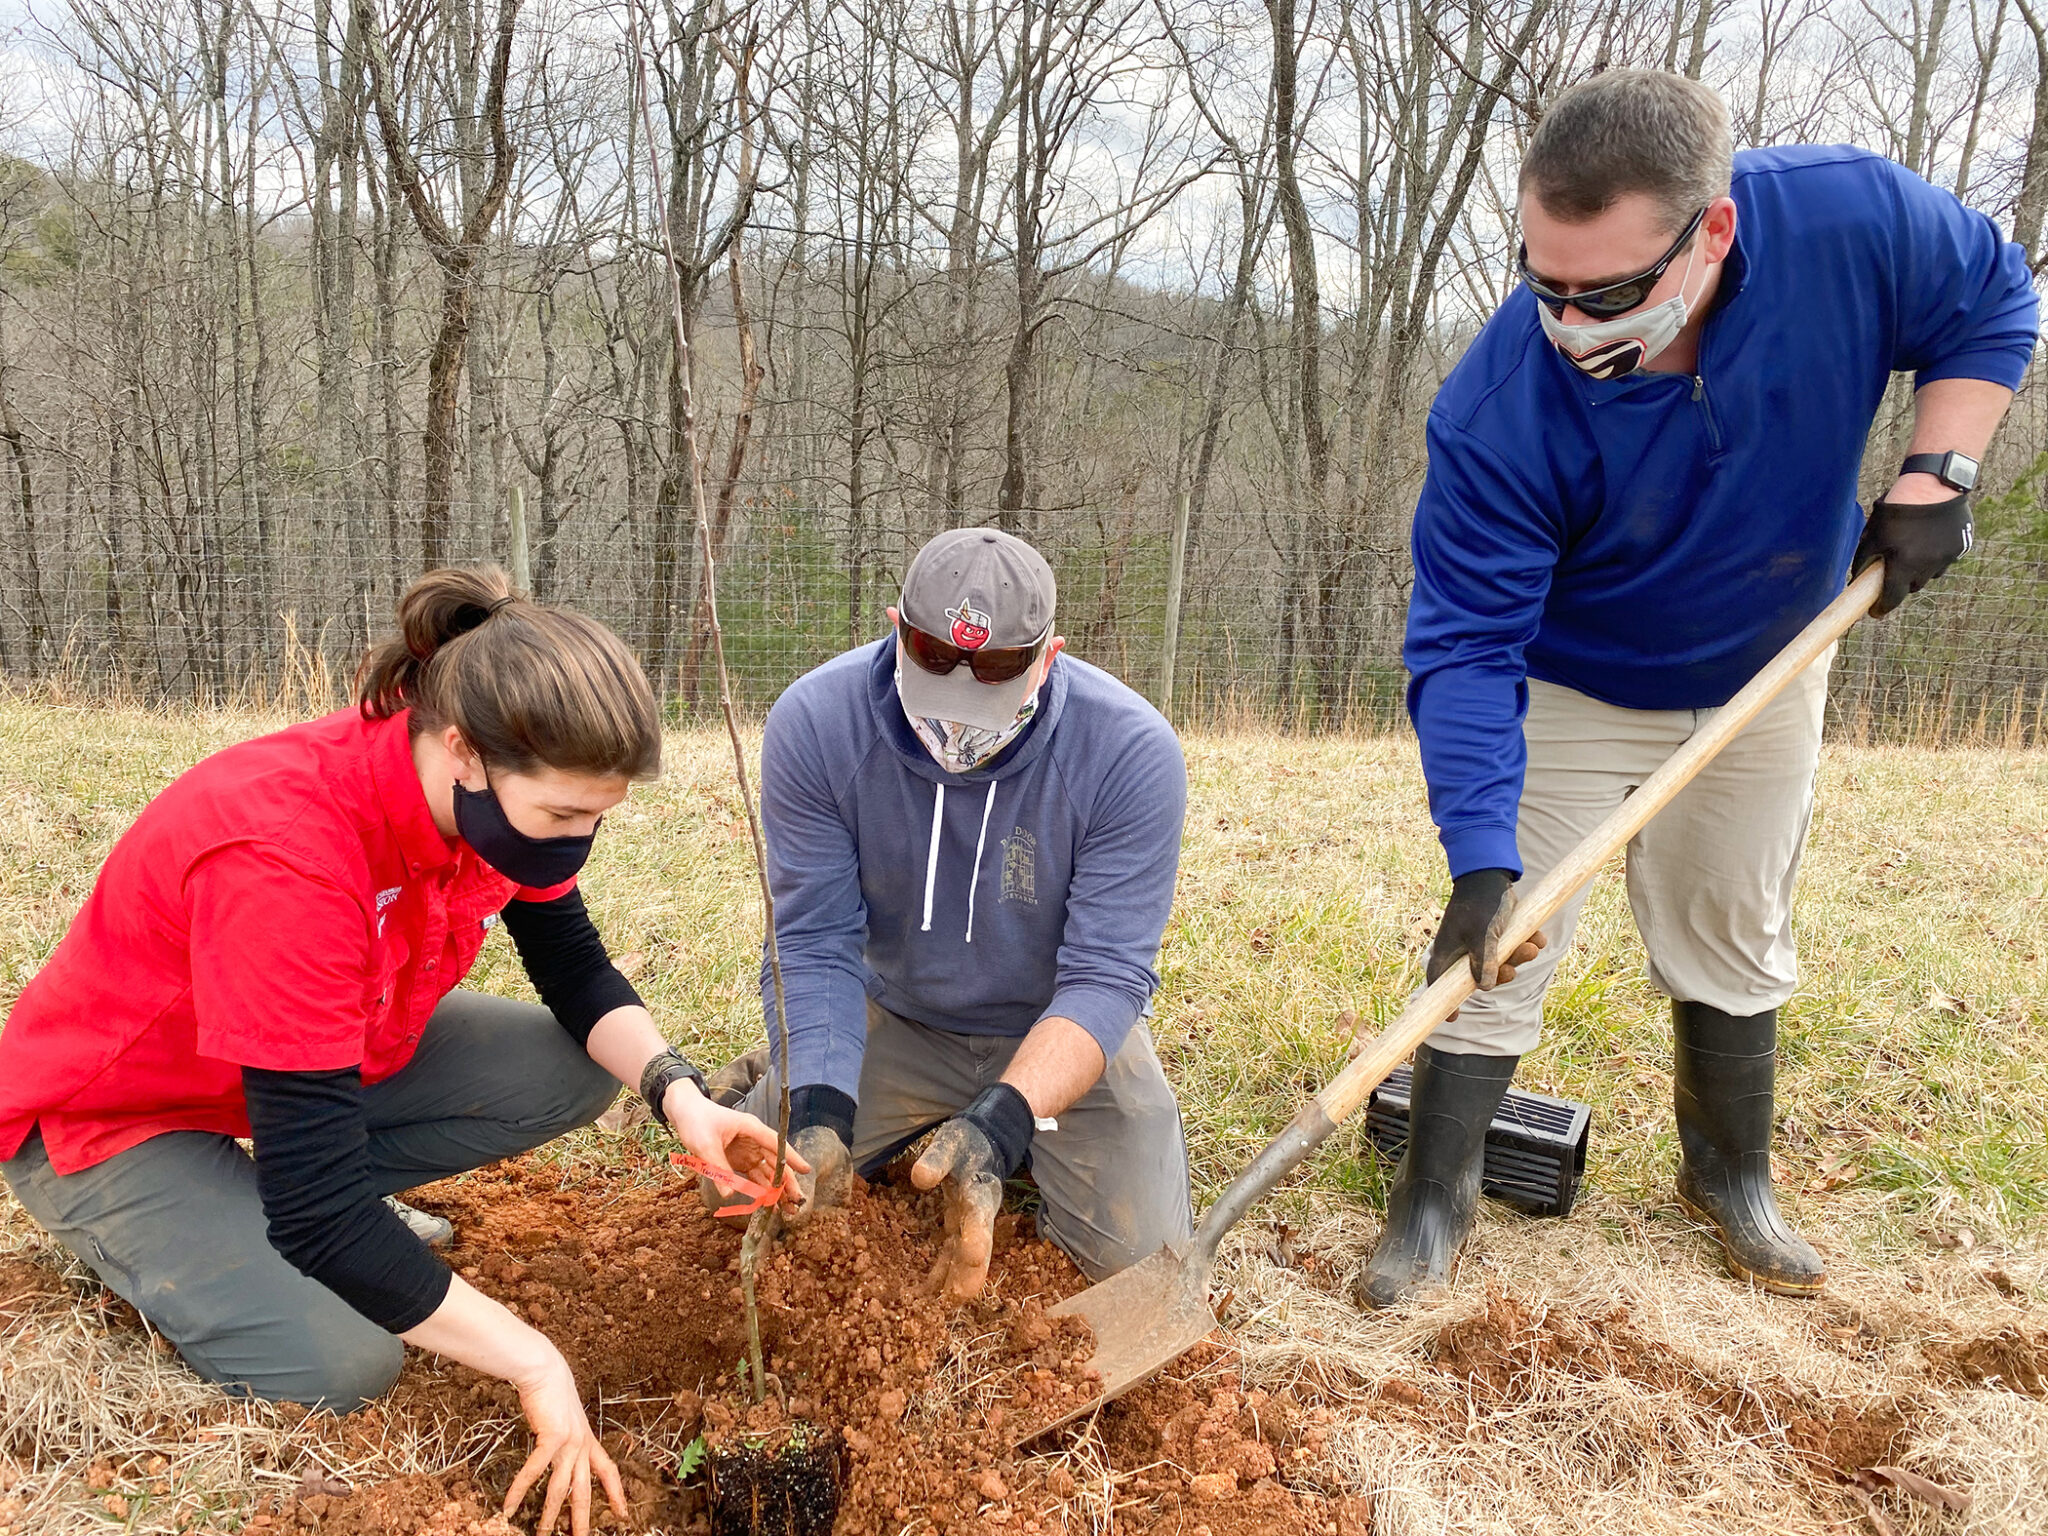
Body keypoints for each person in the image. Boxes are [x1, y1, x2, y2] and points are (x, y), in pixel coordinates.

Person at [1367, 70, 2037, 1308]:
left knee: (1733, 917)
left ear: (1709, 231)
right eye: (1542, 283)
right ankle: (1433, 1195)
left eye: (1607, 292)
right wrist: (1476, 856)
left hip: (1767, 659)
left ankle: (1727, 1178)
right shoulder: (1501, 407)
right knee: (1501, 938)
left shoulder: (1850, 223)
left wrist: (1937, 471)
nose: (1568, 320)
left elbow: (1992, 301)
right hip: (1569, 677)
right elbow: (1463, 647)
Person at [0, 566, 803, 1536]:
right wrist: (532, 1358)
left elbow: (577, 970)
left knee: (578, 1066)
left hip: (306, 1067)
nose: (579, 842)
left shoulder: (483, 805)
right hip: (112, 1117)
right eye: (562, 816)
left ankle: (256, 1195)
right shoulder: (288, 855)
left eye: (599, 817)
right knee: (347, 1363)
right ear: (465, 752)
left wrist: (682, 1098)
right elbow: (317, 1215)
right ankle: (168, 1228)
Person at [714, 528, 1192, 1301]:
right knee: (738, 1201)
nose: (960, 722)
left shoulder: (1131, 751)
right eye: (935, 664)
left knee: (1142, 1276)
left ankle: (1021, 1130)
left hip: (1054, 1023)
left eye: (998, 675)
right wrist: (822, 1110)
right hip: (896, 1011)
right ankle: (792, 1075)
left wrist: (1002, 1125)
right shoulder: (817, 723)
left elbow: (1106, 976)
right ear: (897, 631)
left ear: (1050, 656)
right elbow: (815, 941)